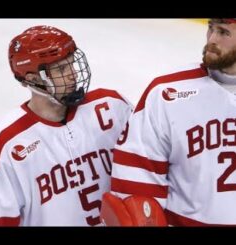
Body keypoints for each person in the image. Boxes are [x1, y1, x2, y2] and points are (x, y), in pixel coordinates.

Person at [0, 25, 132, 226]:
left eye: (71, 64)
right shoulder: (6, 141)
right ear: (32, 79)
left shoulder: (112, 107)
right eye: (60, 69)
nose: (72, 75)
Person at [101, 18, 236, 226]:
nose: (212, 39)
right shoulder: (166, 93)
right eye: (210, 28)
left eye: (223, 32)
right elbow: (137, 175)